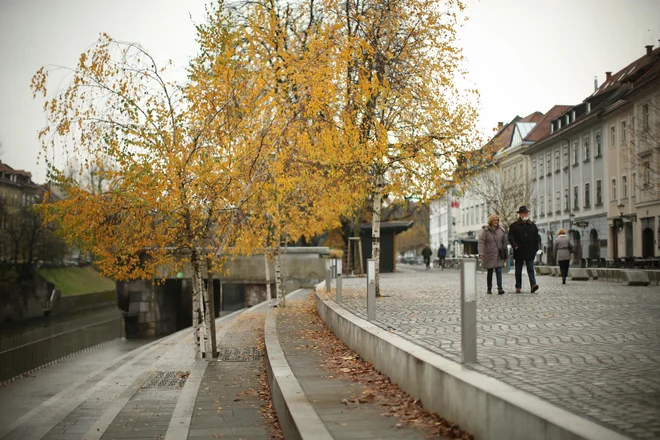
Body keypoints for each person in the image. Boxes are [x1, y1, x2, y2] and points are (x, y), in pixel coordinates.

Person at [508, 206, 541, 293]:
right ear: (520, 214)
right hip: (519, 251)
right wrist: (515, 246)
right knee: (518, 270)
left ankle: (533, 285)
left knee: (530, 268)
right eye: (523, 213)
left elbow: (537, 238)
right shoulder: (514, 226)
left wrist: (535, 248)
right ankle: (518, 286)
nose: (525, 214)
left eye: (526, 213)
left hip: (530, 251)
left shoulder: (532, 225)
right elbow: (511, 238)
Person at [478, 214, 507, 295]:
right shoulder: (485, 231)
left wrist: (505, 255)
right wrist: (481, 253)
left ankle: (500, 288)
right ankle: (489, 288)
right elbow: (481, 242)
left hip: (499, 254)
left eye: (497, 220)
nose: (496, 222)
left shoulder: (501, 230)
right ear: (490, 221)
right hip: (489, 253)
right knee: (490, 271)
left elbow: (504, 243)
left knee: (499, 270)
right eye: (494, 220)